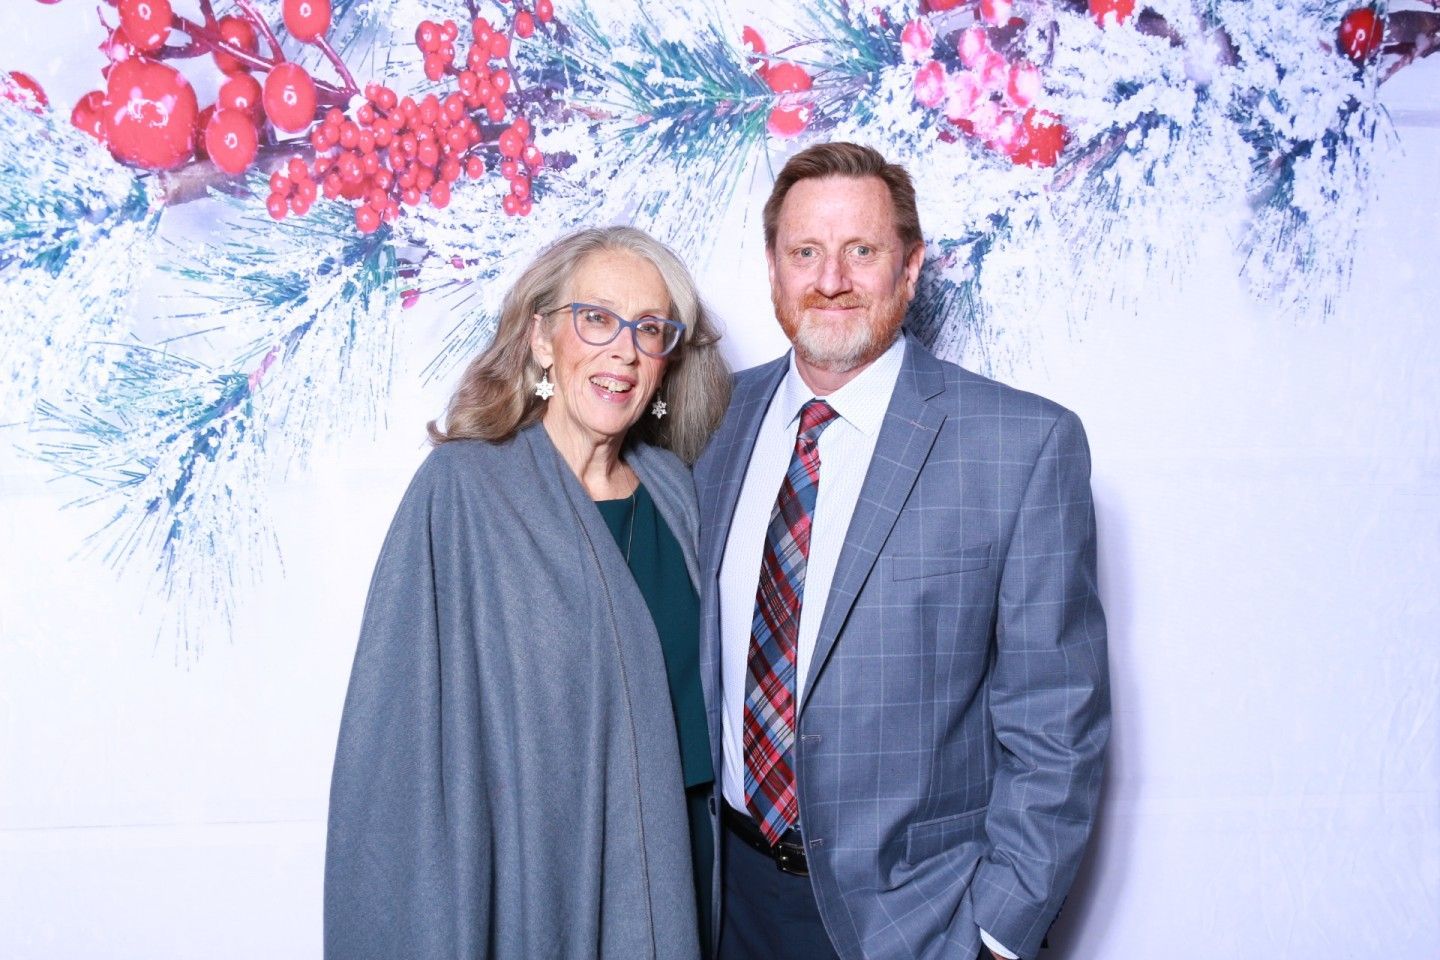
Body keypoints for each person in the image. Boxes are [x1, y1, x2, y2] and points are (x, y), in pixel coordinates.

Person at [694, 142, 1111, 960]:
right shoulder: (712, 424)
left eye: (864, 251)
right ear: (773, 269)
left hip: (915, 924)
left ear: (911, 270)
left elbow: (1058, 728)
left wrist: (993, 937)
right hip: (725, 903)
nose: (832, 279)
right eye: (805, 252)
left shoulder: (1021, 446)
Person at [324, 226, 731, 960]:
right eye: (597, 319)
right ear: (544, 338)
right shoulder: (466, 492)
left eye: (649, 329)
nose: (623, 352)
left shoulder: (676, 493)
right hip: (543, 879)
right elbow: (400, 743)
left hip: (682, 863)